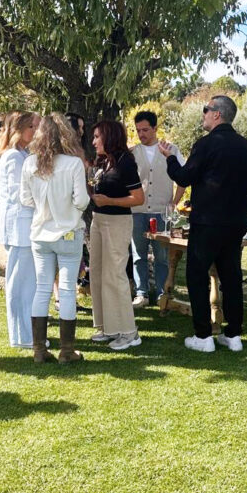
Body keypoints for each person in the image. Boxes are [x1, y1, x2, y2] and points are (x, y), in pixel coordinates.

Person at [158, 95, 247, 353]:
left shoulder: (206, 144)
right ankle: (233, 334)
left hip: (208, 221)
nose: (203, 114)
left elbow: (184, 176)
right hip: (235, 222)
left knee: (197, 275)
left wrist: (170, 157)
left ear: (217, 114)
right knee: (232, 276)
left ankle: (203, 336)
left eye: (206, 110)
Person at [20, 114, 90, 364]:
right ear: (65, 136)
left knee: (42, 288)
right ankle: (67, 351)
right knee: (68, 290)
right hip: (68, 232)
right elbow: (82, 201)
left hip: (40, 234)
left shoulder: (29, 163)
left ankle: (39, 350)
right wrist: (69, 208)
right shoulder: (73, 164)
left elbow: (25, 199)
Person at [89, 120, 145, 351]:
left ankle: (130, 332)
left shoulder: (126, 162)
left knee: (115, 276)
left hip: (117, 223)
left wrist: (109, 201)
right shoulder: (104, 161)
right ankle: (107, 326)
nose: (93, 142)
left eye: (97, 137)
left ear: (109, 137)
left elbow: (138, 198)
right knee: (98, 274)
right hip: (98, 221)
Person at [130, 110, 184, 308]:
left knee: (162, 255)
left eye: (145, 129)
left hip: (162, 211)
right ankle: (141, 293)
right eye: (138, 130)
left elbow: (183, 178)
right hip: (137, 210)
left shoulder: (171, 149)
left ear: (155, 128)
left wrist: (174, 202)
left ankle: (162, 292)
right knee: (138, 253)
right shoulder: (133, 152)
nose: (141, 134)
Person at [0, 111, 41, 350]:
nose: (37, 132)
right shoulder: (13, 157)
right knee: (19, 283)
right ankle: (22, 336)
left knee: (29, 283)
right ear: (21, 129)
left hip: (28, 226)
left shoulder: (25, 154)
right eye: (33, 127)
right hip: (19, 226)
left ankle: (30, 332)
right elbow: (18, 194)